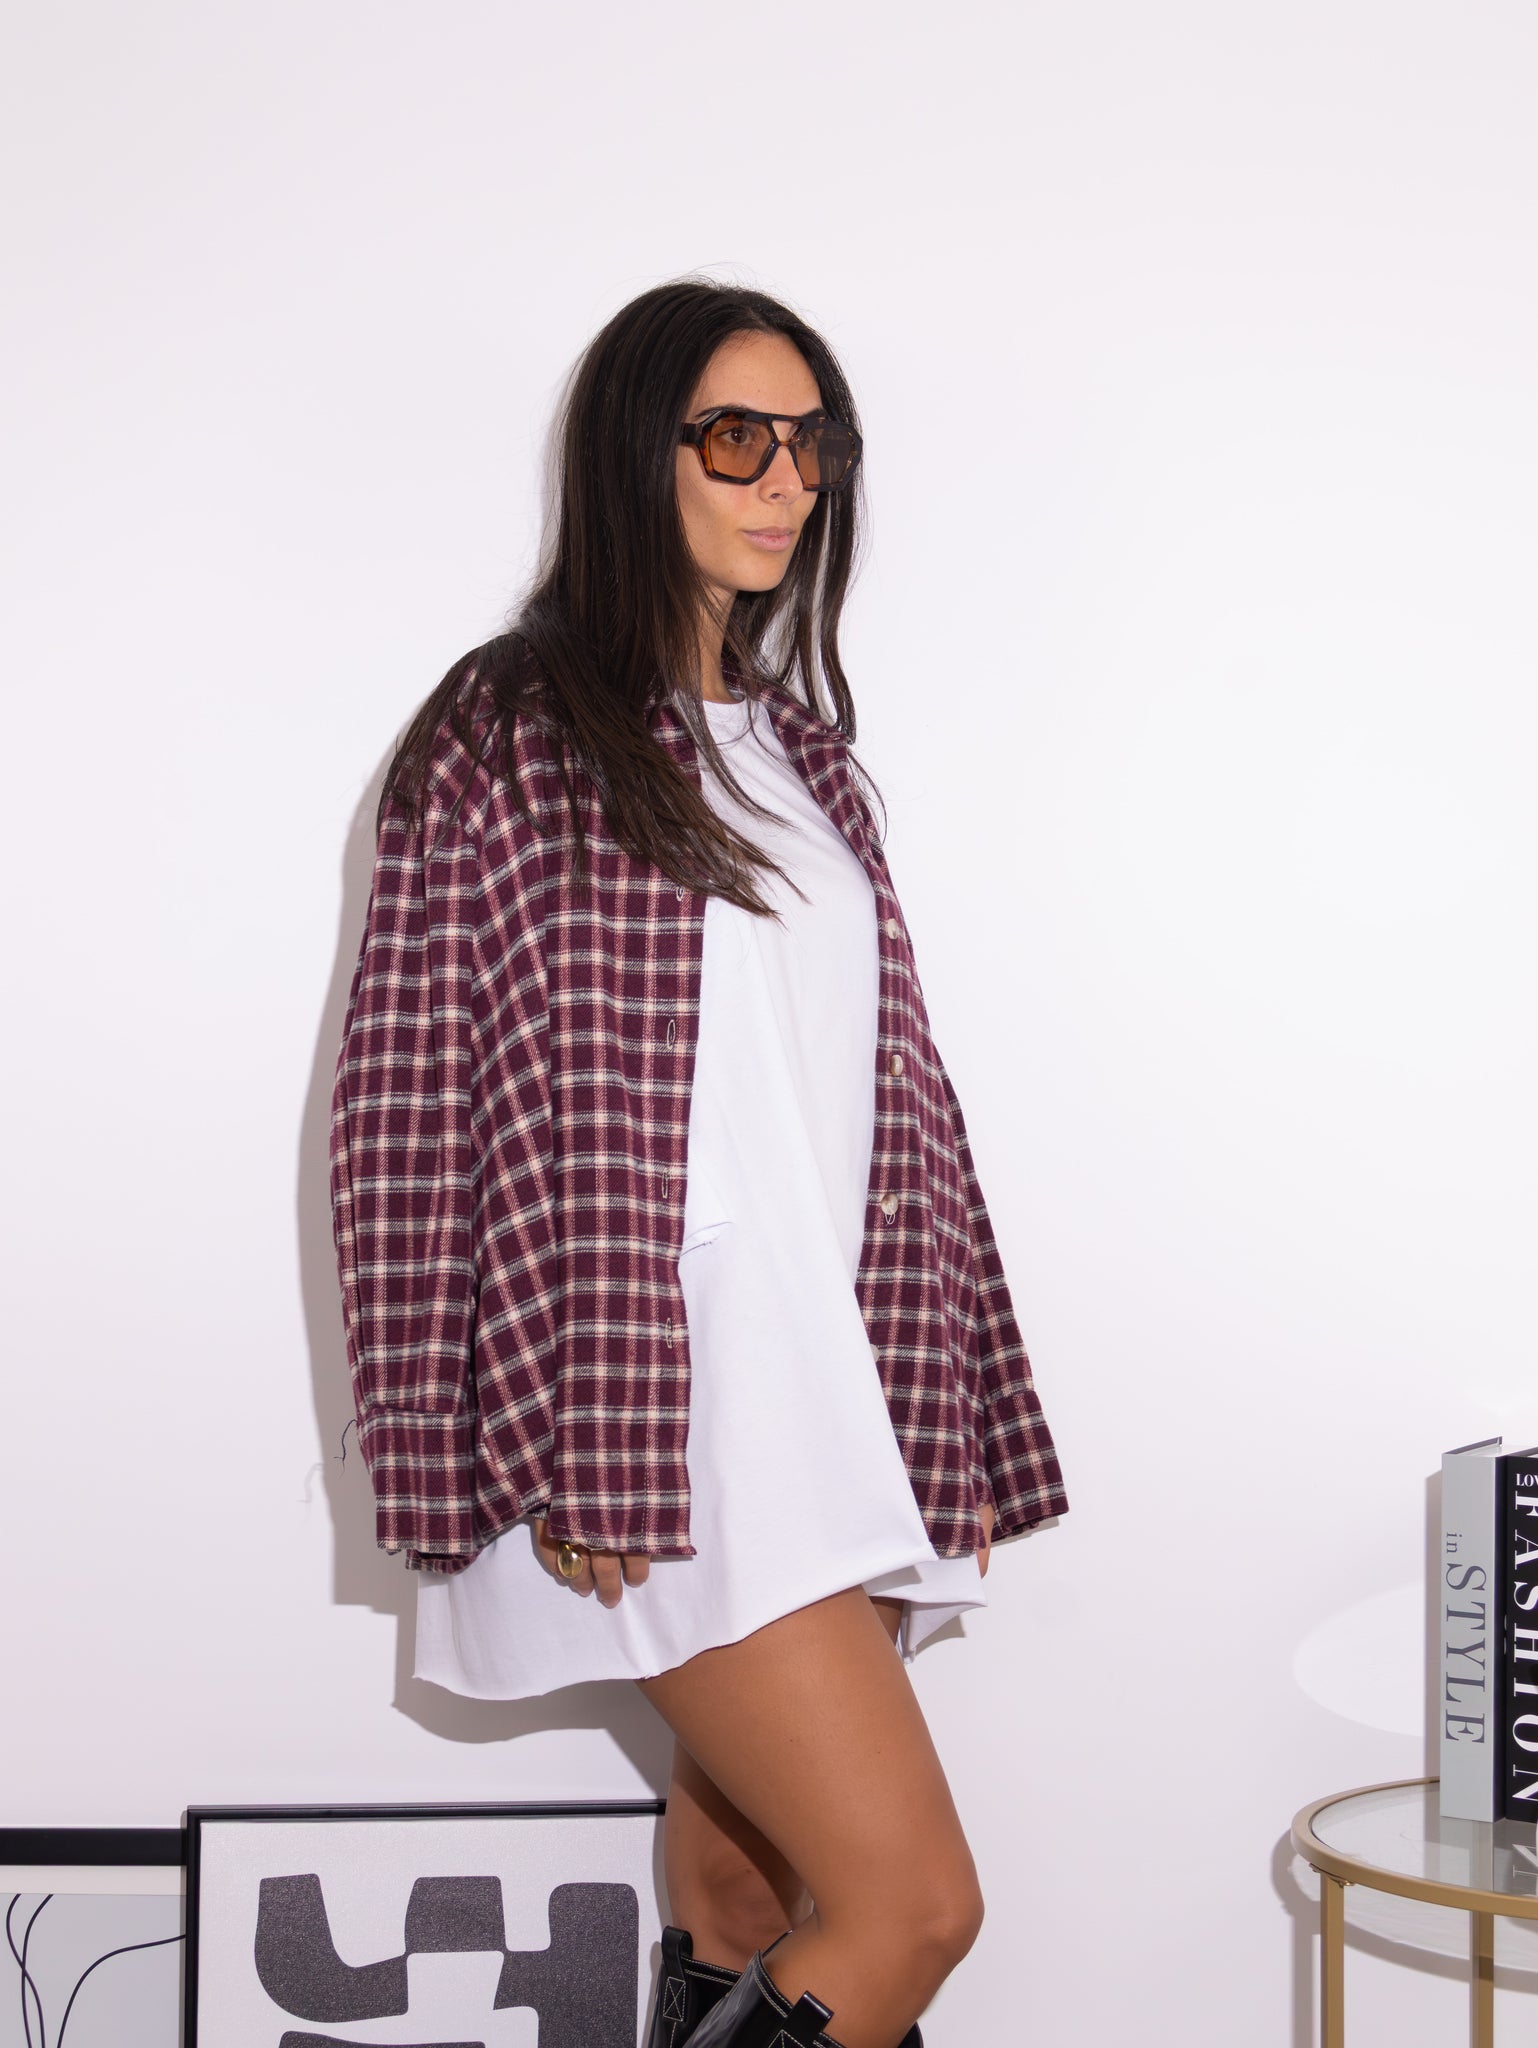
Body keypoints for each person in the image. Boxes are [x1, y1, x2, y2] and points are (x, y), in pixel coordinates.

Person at [329, 276, 1069, 2048]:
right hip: (648, 1403)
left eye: (813, 443)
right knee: (910, 1907)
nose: (785, 479)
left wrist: (944, 1402)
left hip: (826, 1389)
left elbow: (897, 1109)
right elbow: (410, 1112)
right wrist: (521, 1425)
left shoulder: (806, 758)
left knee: (748, 1896)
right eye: (737, 436)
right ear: (632, 452)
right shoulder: (508, 729)